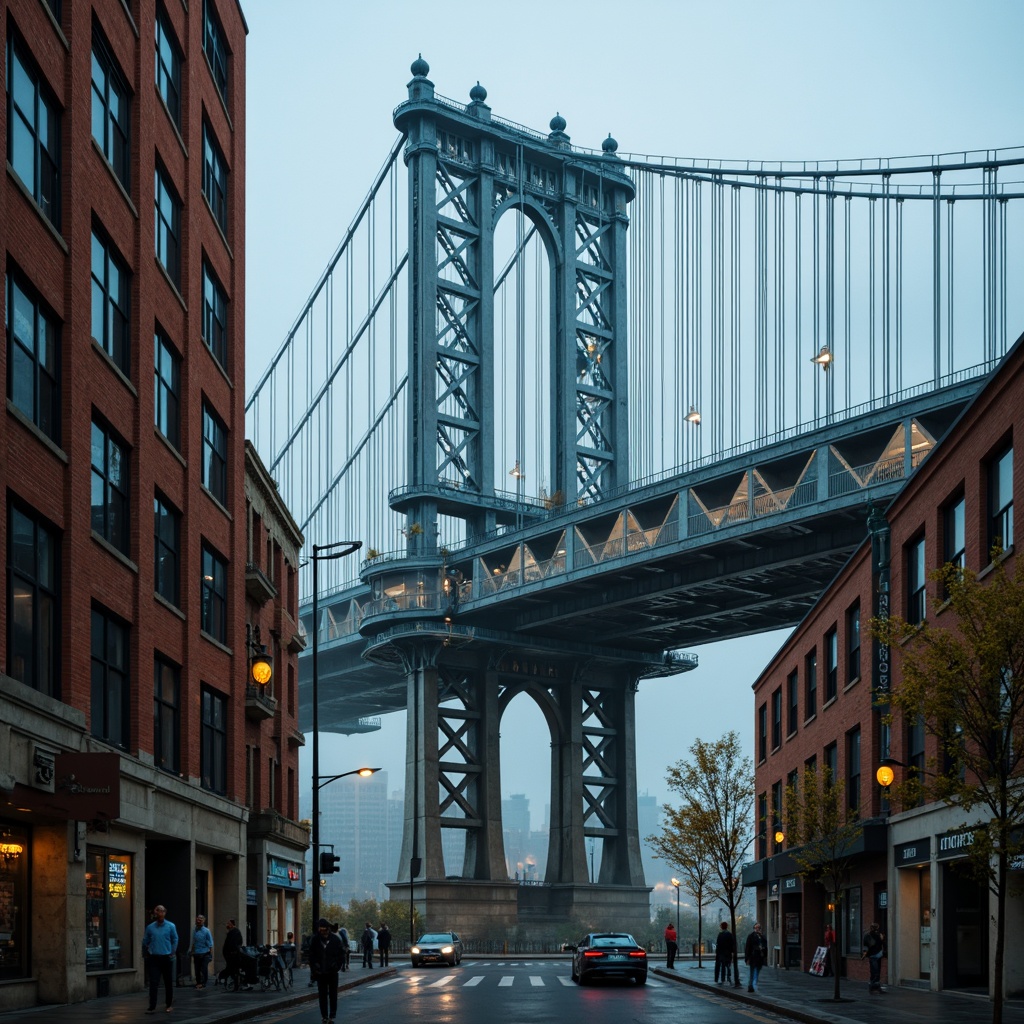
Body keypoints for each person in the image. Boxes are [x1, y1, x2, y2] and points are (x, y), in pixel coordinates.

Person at [142, 904, 178, 1014]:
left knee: (168, 982)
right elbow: (145, 940)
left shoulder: (171, 926)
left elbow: (175, 939)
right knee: (153, 982)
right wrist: (146, 951)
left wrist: (172, 952)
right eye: (157, 911)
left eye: (161, 911)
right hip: (154, 958)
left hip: (166, 957)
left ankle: (169, 1004)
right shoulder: (150, 927)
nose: (159, 913)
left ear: (165, 913)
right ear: (155, 913)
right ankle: (152, 1006)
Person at [309, 918, 345, 1024]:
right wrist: (315, 968)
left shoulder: (335, 939)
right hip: (320, 972)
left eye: (324, 930)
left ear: (328, 929)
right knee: (322, 995)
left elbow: (341, 955)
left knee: (333, 994)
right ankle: (324, 1015)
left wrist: (337, 966)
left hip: (332, 972)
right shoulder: (315, 940)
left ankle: (332, 1015)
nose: (323, 932)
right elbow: (312, 955)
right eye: (321, 930)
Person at [223, 918, 248, 990]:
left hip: (233, 955)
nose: (227, 925)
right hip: (231, 954)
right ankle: (235, 984)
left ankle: (236, 985)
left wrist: (232, 952)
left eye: (228, 923)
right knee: (234, 970)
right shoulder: (232, 932)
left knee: (234, 970)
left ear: (232, 924)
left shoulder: (234, 932)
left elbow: (233, 944)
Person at [190, 914, 214, 989]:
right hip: (197, 952)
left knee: (204, 968)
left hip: (205, 953)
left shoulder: (206, 931)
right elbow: (192, 941)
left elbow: (210, 943)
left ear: (203, 921)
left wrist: (210, 954)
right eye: (197, 919)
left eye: (200, 920)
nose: (198, 921)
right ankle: (198, 982)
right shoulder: (194, 930)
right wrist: (191, 950)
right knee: (197, 969)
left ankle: (203, 983)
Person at [744, 921, 767, 992]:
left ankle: (754, 983)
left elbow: (765, 945)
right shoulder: (751, 936)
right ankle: (750, 985)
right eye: (756, 928)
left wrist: (764, 955)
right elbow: (747, 947)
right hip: (753, 957)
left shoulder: (763, 936)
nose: (757, 929)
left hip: (760, 957)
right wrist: (747, 958)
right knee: (752, 971)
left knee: (757, 971)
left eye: (759, 928)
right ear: (754, 928)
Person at [863, 921, 885, 993]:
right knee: (876, 971)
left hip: (872, 954)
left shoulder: (867, 935)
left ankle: (873, 986)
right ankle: (874, 986)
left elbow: (865, 946)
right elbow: (882, 944)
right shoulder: (879, 935)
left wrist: (864, 954)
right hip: (877, 954)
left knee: (874, 971)